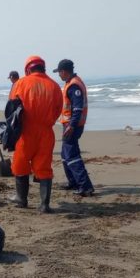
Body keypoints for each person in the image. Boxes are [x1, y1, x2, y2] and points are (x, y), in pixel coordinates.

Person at [8, 56, 63, 213]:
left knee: (20, 164)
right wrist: (48, 121)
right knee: (44, 166)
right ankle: (44, 205)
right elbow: (58, 108)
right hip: (46, 131)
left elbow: (12, 107)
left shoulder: (21, 83)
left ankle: (21, 198)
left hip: (26, 132)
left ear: (28, 69)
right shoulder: (54, 85)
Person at [54, 59, 94, 196]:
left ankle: (85, 186)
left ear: (64, 71)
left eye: (59, 72)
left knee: (71, 155)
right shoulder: (71, 83)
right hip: (69, 124)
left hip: (73, 125)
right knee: (65, 155)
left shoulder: (74, 86)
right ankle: (73, 182)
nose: (59, 75)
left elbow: (77, 109)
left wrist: (71, 125)